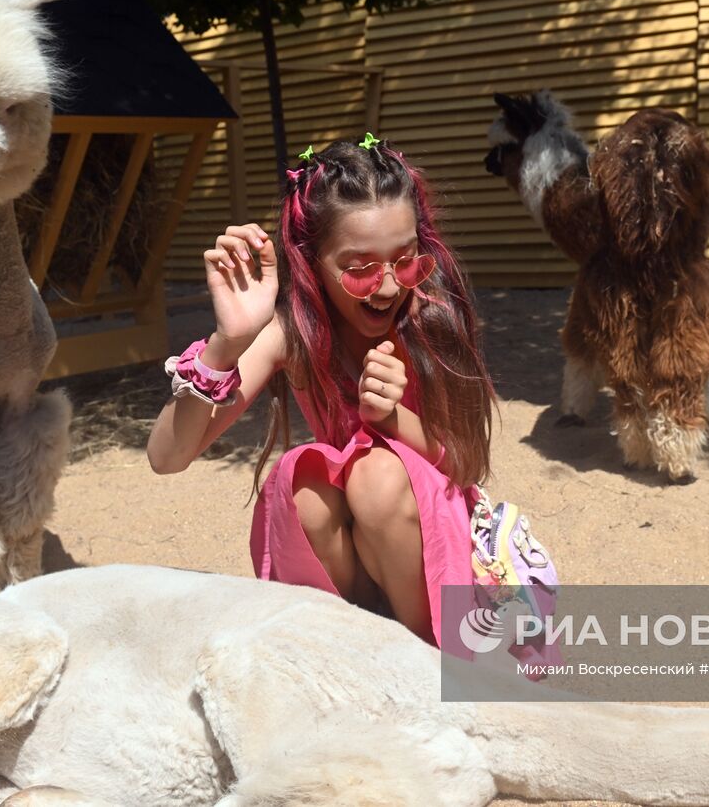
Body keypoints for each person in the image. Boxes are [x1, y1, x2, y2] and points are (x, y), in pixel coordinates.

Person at [147, 137, 496, 645]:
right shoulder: (293, 336)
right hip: (357, 562)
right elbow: (166, 456)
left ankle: (431, 656)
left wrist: (393, 419)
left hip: (434, 553)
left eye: (406, 259)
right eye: (360, 270)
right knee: (302, 482)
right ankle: (356, 645)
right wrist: (227, 344)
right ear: (312, 262)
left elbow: (468, 467)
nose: (389, 287)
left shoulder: (431, 318)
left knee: (376, 476)